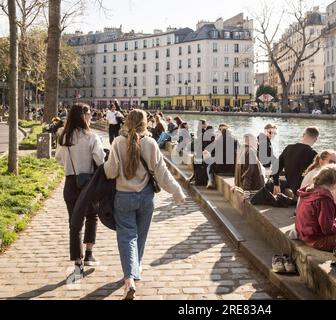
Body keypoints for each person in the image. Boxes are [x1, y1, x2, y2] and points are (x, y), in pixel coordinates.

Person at [104, 109, 186, 300]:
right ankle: (135, 269)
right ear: (144, 123)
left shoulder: (117, 142)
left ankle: (129, 279)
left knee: (127, 237)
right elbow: (162, 173)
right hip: (146, 198)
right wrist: (177, 192)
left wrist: (105, 163)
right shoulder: (150, 143)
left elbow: (110, 172)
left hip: (123, 197)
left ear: (127, 122)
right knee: (140, 237)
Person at [55, 104, 106, 275]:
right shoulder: (92, 137)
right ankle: (89, 254)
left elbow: (58, 159)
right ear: (84, 116)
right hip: (88, 183)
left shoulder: (64, 137)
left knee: (74, 222)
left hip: (70, 183)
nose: (91, 117)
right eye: (90, 114)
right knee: (92, 216)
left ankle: (77, 262)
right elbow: (100, 161)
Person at [296, 164, 336, 252]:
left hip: (305, 234)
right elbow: (327, 229)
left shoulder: (310, 190)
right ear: (335, 183)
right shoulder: (324, 198)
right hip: (317, 240)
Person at [271, 127, 319, 196]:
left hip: (289, 190)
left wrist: (276, 184)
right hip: (303, 193)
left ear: (303, 135)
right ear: (316, 140)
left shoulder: (288, 148)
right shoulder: (314, 155)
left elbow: (275, 168)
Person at [204, 124, 239, 189]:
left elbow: (213, 154)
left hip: (220, 171)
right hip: (232, 171)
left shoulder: (218, 141)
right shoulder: (235, 141)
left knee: (209, 165)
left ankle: (211, 181)